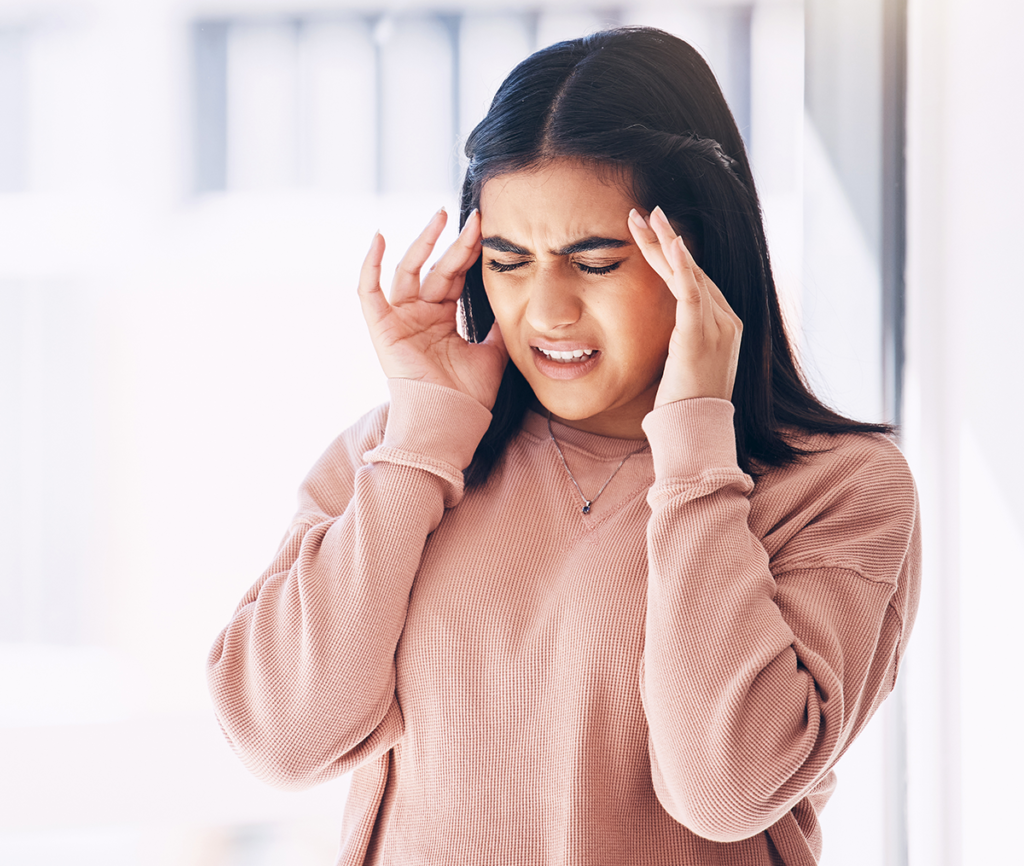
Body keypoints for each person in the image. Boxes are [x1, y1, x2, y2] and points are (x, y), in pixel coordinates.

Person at [207, 26, 920, 866]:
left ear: (696, 252)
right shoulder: (402, 453)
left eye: (593, 262)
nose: (546, 311)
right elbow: (280, 737)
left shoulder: (838, 489)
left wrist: (695, 450)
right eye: (508, 261)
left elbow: (725, 789)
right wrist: (421, 441)